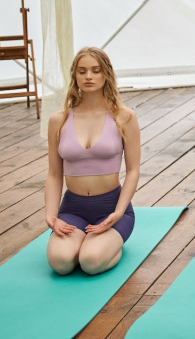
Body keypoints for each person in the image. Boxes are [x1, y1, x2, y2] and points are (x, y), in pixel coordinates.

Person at [45, 47, 141, 275]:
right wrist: (51, 216)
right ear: (75, 76)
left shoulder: (124, 117)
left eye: (96, 71)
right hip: (73, 210)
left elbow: (134, 170)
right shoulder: (58, 120)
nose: (88, 76)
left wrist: (117, 213)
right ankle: (85, 244)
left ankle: (107, 246)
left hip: (111, 209)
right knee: (60, 263)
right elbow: (54, 174)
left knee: (89, 262)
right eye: (82, 71)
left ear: (106, 74)